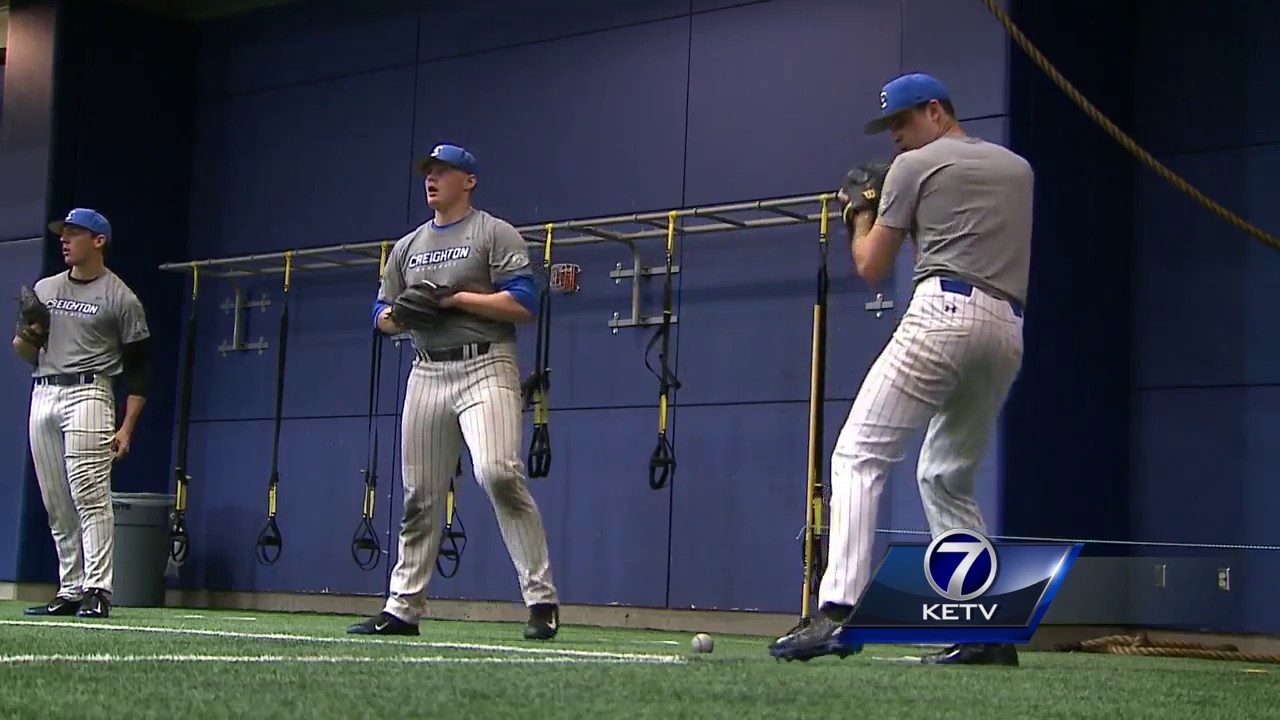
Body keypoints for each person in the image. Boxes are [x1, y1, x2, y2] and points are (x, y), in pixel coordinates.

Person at [769, 73, 1034, 665]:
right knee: (944, 477)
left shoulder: (913, 169)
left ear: (937, 111)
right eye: (891, 125)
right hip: (1007, 328)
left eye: (904, 121)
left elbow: (870, 265)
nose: (896, 136)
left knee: (857, 454)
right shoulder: (1017, 169)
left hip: (942, 314)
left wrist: (858, 212)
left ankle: (837, 612)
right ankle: (985, 634)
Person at [346, 143, 561, 641]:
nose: (432, 178)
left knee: (498, 473)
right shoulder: (407, 246)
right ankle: (402, 609)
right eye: (428, 172)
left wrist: (455, 299)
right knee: (420, 494)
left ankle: (540, 600)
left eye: (443, 171)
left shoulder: (493, 232)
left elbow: (524, 303)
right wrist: (400, 317)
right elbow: (380, 315)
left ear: (469, 180)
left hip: (485, 363)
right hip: (426, 372)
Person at [15, 208, 152, 620]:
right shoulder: (46, 287)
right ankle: (70, 588)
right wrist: (31, 335)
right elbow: (23, 351)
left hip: (90, 391)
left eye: (74, 233)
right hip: (44, 390)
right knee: (56, 500)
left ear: (98, 241)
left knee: (89, 495)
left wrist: (126, 426)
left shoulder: (120, 297)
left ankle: (97, 589)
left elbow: (141, 368)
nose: (64, 239)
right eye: (63, 233)